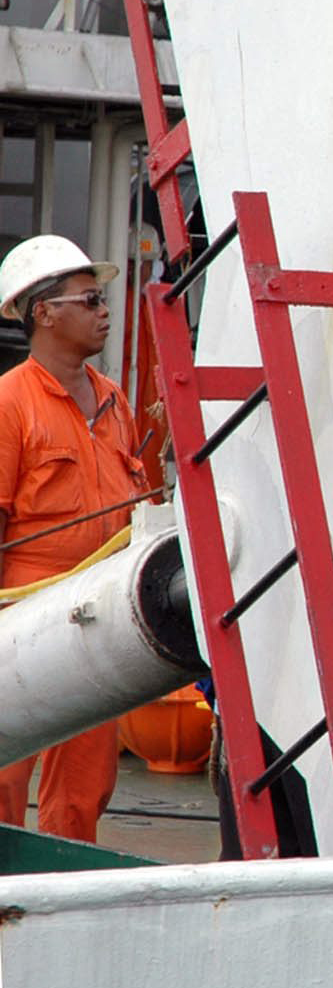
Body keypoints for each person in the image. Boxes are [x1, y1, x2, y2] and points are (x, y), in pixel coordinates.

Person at [0, 235, 145, 843]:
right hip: (20, 618)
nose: (104, 310)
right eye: (89, 300)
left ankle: (63, 890)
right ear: (45, 313)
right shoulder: (10, 402)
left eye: (101, 298)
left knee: (85, 784)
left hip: (97, 617)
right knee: (5, 773)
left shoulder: (115, 403)